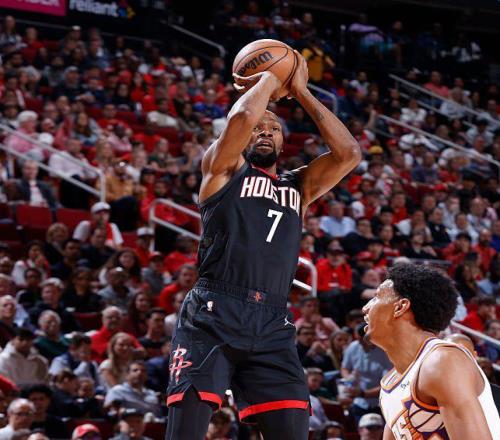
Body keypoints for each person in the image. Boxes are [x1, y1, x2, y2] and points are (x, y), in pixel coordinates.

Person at [166, 53, 361, 440]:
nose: (265, 131)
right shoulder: (223, 170)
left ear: (284, 142)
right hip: (214, 311)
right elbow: (241, 117)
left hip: (273, 320)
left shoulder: (299, 187)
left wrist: (301, 91)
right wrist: (271, 77)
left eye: (274, 128)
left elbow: (349, 154)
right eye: (259, 127)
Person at [363, 264, 500, 438]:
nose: (365, 308)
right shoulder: (389, 383)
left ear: (400, 307)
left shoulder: (441, 361)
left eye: (376, 297)